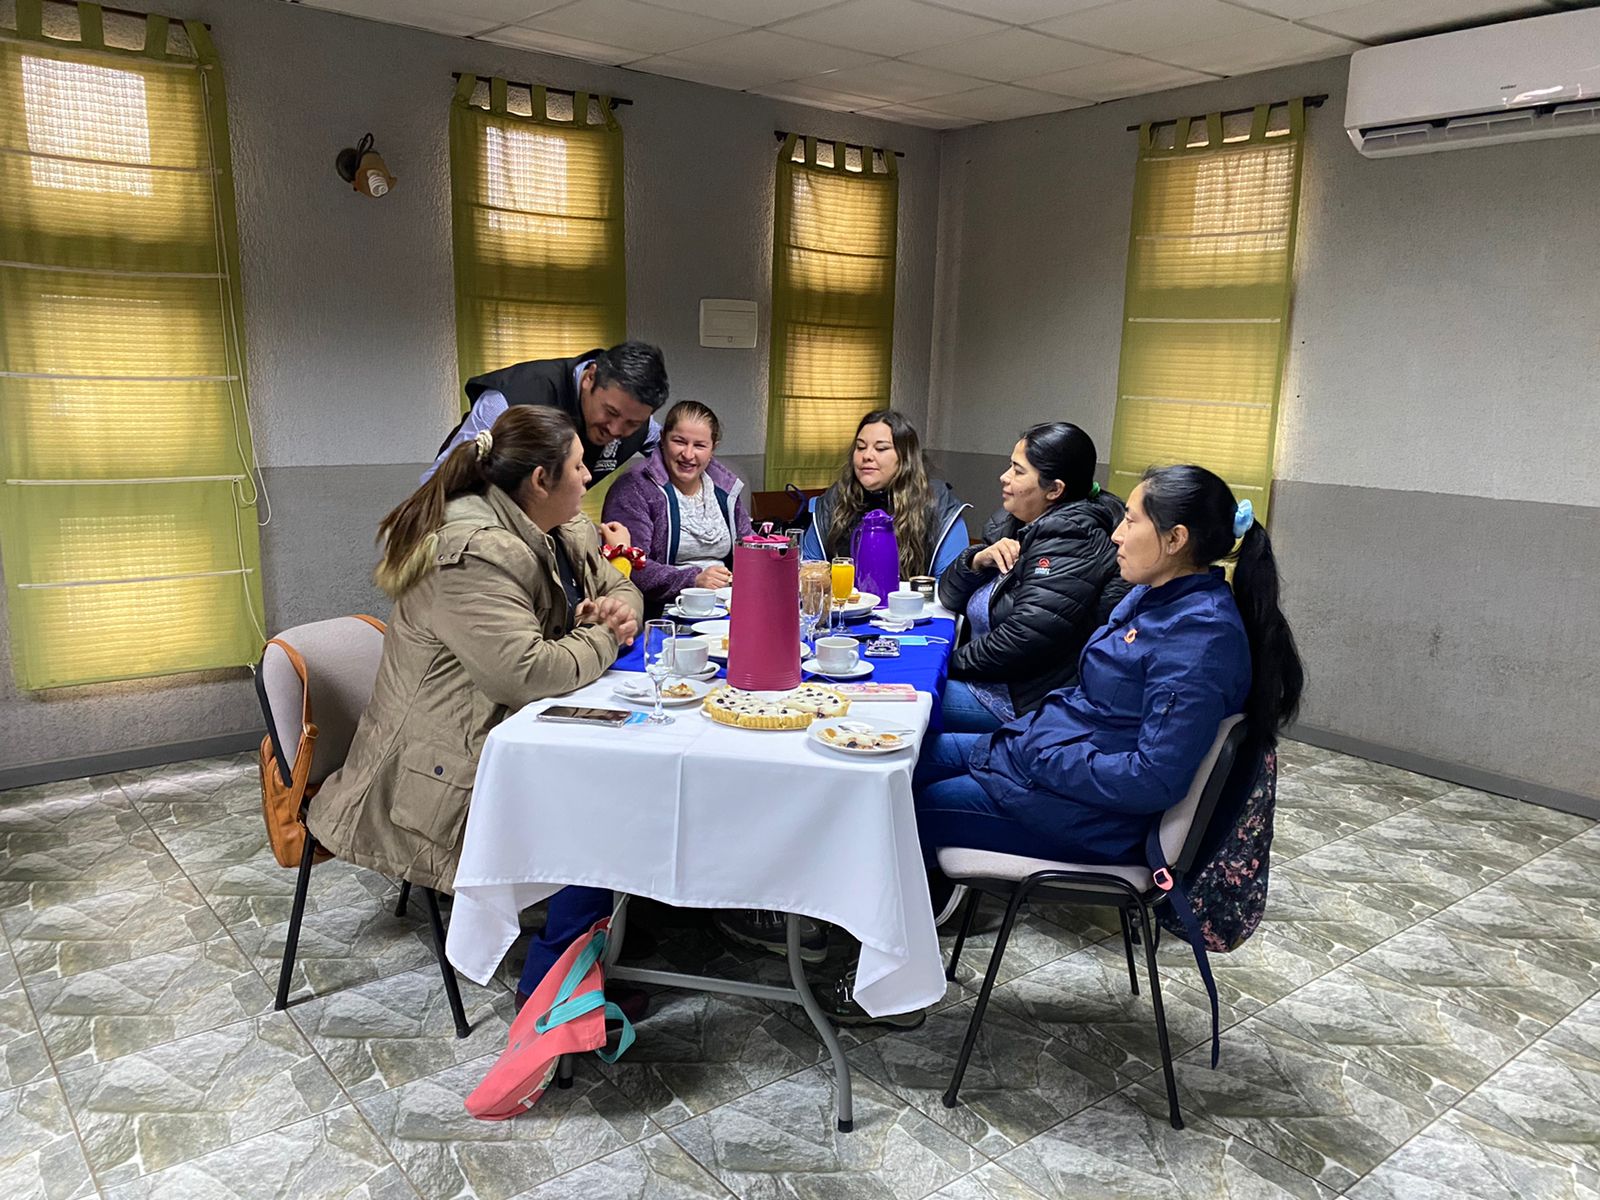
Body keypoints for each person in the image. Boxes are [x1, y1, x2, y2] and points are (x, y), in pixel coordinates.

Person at [820, 463, 1304, 1027]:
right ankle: (874, 945)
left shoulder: (1198, 638)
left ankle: (891, 992)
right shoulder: (1156, 600)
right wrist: (1037, 746)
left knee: (904, 810)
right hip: (1047, 766)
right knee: (906, 761)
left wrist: (1041, 754)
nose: (1117, 534)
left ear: (1176, 540)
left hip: (1099, 818)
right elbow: (1097, 710)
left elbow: (1152, 779)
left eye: (1131, 520)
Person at [307, 405, 648, 1017]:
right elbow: (529, 673)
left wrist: (618, 610)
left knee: (617, 783)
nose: (588, 481)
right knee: (602, 803)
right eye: (578, 468)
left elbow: (620, 586)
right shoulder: (473, 551)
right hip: (434, 776)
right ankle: (552, 986)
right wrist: (607, 637)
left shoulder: (558, 525)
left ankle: (612, 933)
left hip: (495, 735)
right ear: (540, 480)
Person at [936, 423, 1129, 733]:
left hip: (1022, 704)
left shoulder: (1071, 537)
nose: (1004, 477)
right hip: (992, 684)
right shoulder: (1016, 523)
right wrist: (974, 560)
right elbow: (947, 596)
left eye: (1017, 471)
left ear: (1054, 490)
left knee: (899, 698)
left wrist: (944, 665)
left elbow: (1025, 637)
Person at [423, 341, 669, 490]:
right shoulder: (510, 399)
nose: (615, 430)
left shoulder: (643, 427)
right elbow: (436, 484)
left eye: (631, 423)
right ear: (590, 377)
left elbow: (686, 457)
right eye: (610, 412)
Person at [601, 400, 753, 611]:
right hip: (663, 613)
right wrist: (694, 580)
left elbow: (750, 548)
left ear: (712, 449)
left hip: (727, 608)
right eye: (679, 442)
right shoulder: (634, 487)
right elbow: (632, 565)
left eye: (699, 445)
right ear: (662, 439)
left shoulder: (726, 489)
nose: (688, 455)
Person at [800, 410, 970, 581]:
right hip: (845, 606)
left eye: (881, 448)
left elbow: (951, 587)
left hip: (916, 607)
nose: (866, 456)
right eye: (860, 447)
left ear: (905, 457)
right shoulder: (837, 498)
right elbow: (808, 571)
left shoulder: (937, 503)